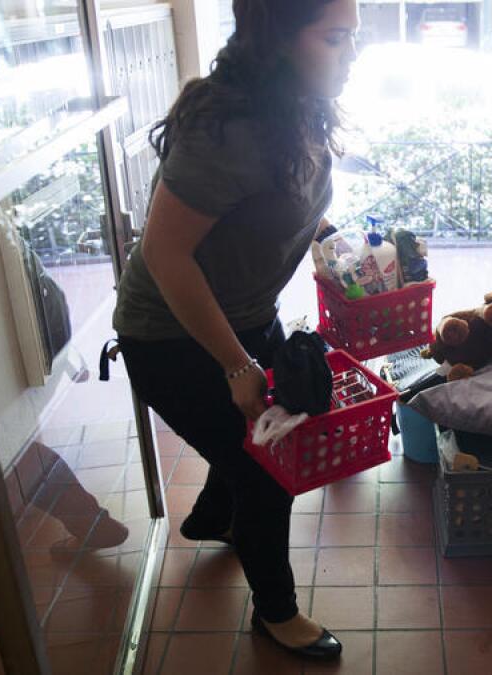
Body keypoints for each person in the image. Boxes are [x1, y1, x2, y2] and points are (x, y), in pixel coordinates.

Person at [112, 0, 358, 660]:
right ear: (279, 39)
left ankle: (213, 516)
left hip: (245, 313)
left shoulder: (298, 106)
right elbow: (166, 254)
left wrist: (342, 251)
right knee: (267, 469)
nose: (351, 53)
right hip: (168, 334)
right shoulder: (227, 129)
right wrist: (236, 365)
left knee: (255, 436)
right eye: (335, 38)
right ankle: (275, 613)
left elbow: (285, 200)